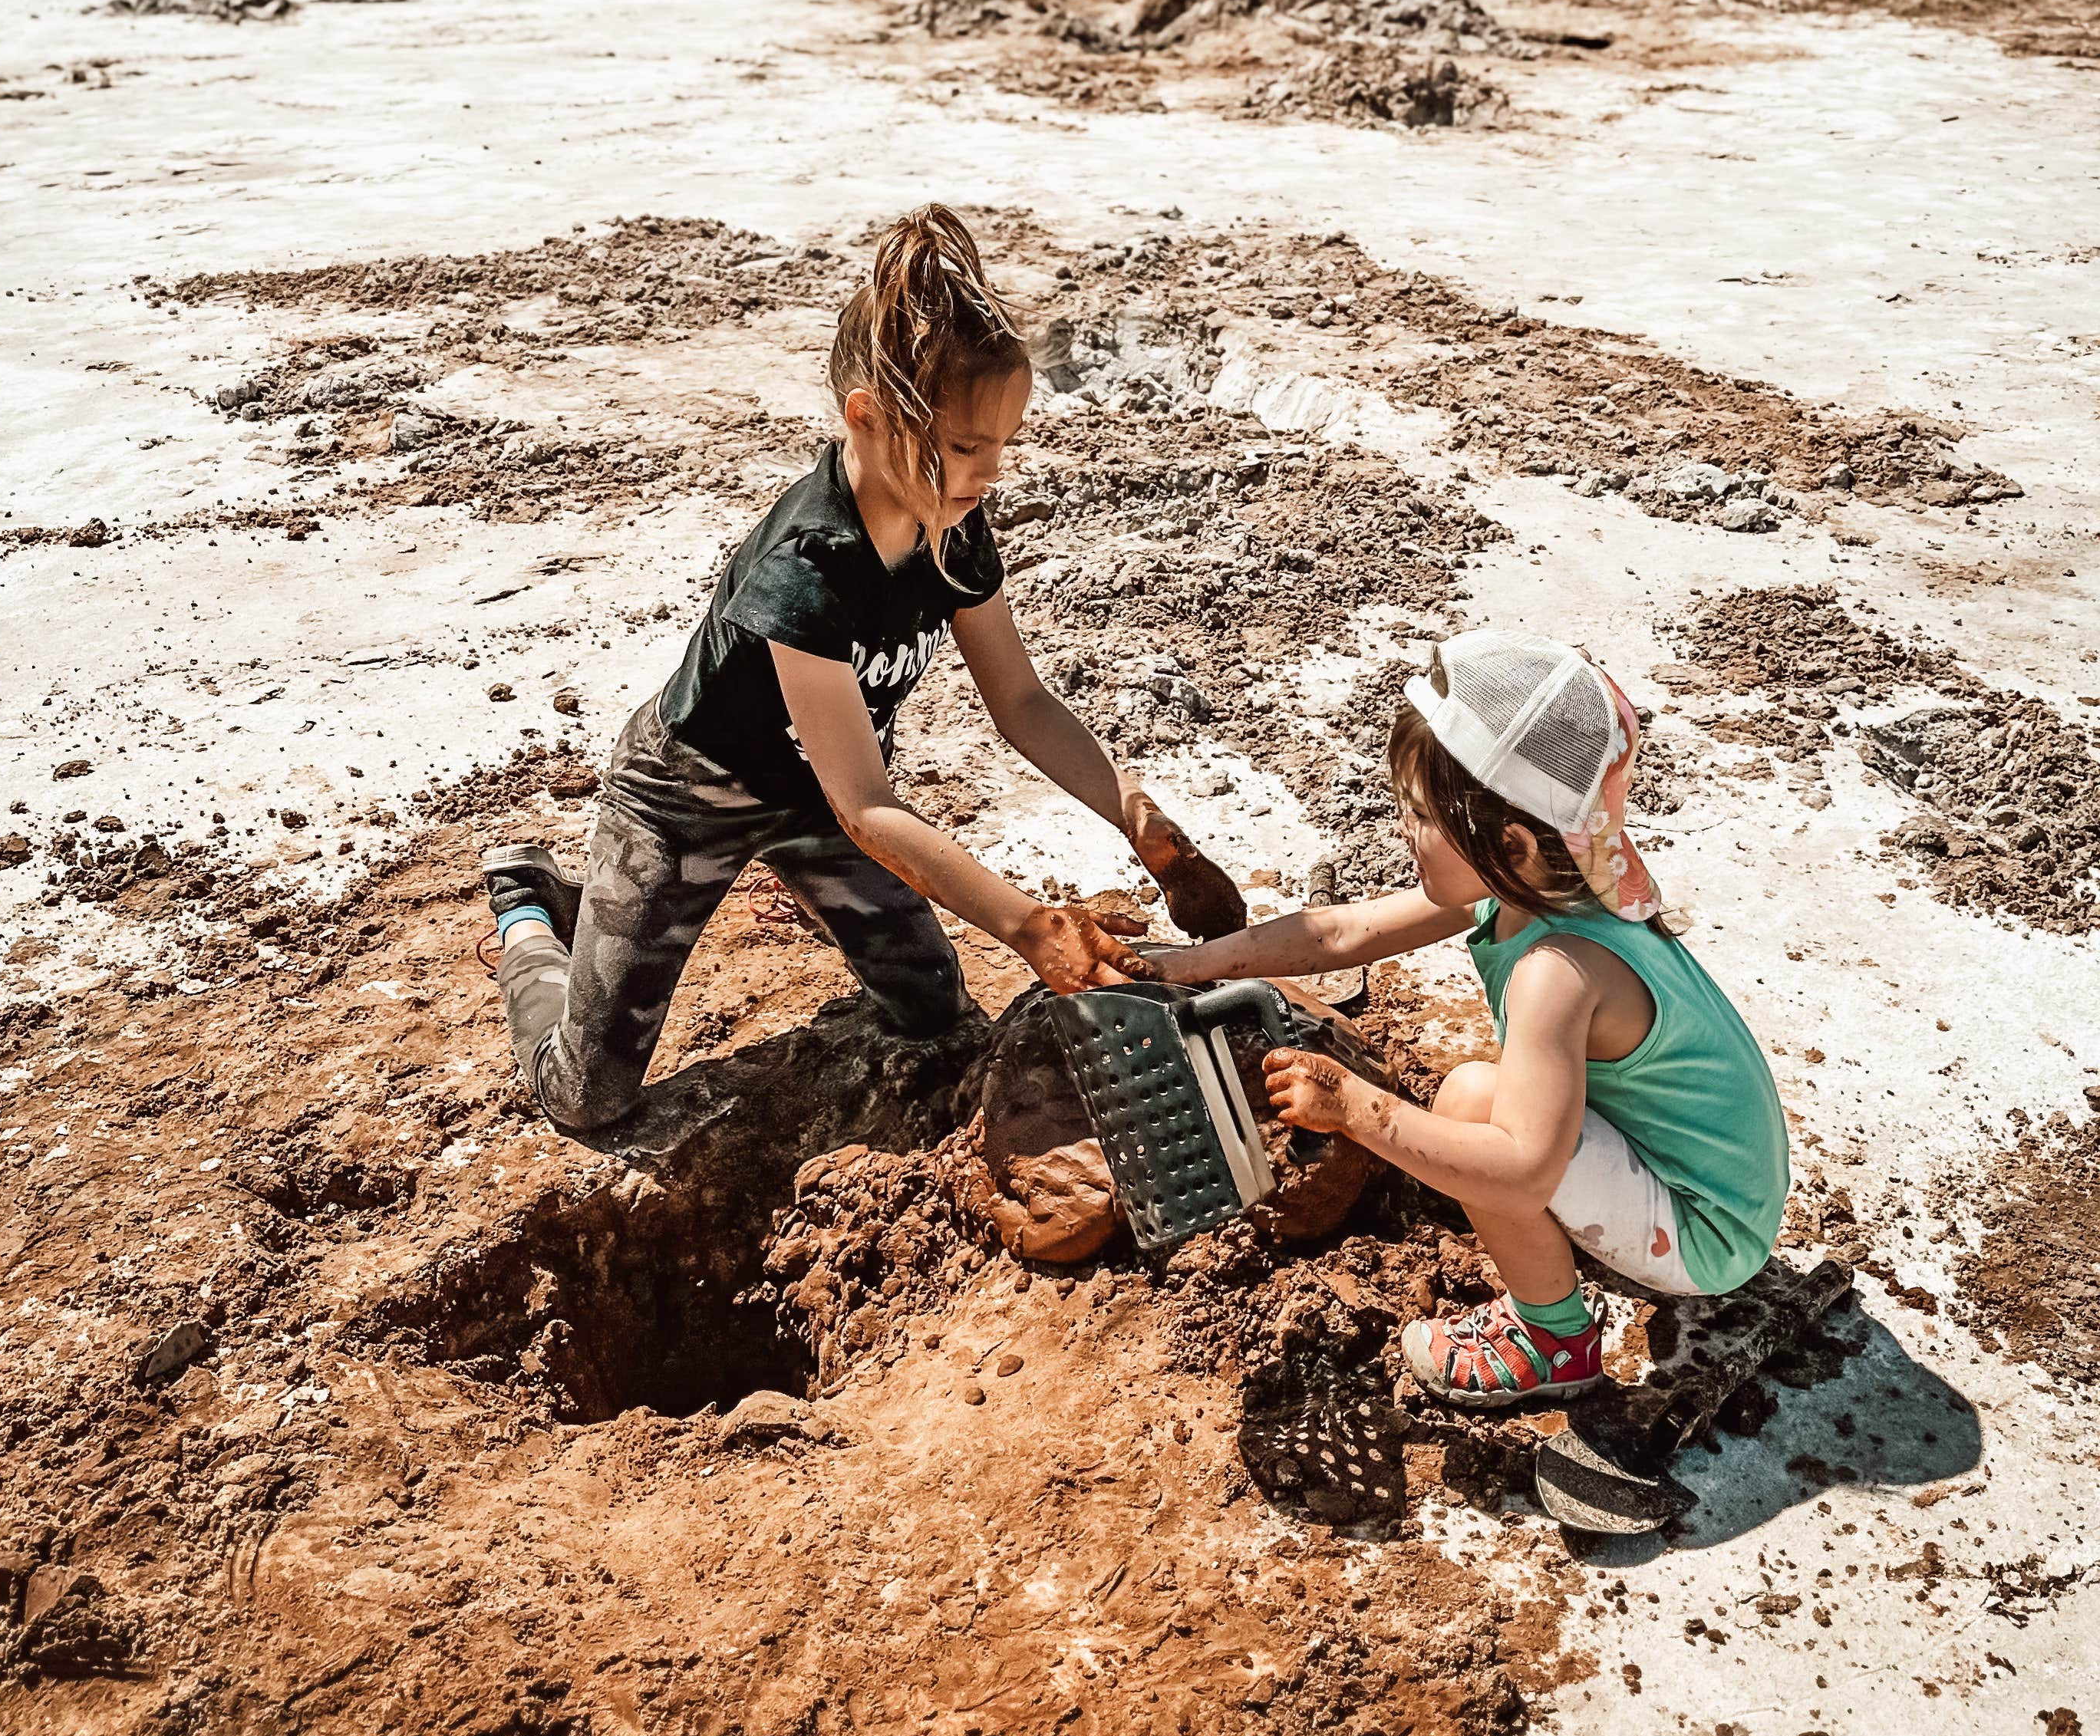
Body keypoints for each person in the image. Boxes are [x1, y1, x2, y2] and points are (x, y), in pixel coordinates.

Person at [479, 205, 1245, 1130]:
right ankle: (531, 907)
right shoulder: (807, 566)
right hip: (690, 793)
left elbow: (1023, 702)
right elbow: (868, 806)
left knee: (933, 1015)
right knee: (588, 1097)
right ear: (869, 418)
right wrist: (1030, 925)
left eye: (1004, 445)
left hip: (819, 800)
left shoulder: (952, 528)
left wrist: (1144, 825)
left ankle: (776, 890)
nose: (990, 473)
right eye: (968, 447)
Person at [1156, 634, 1789, 1411]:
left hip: (1706, 1232)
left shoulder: (1557, 972)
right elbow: (1342, 934)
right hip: (1722, 1186)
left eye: (1419, 813)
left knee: (1470, 1105)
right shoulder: (1539, 886)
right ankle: (1593, 1246)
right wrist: (1191, 964)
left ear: (1512, 843)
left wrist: (1358, 1107)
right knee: (1490, 1104)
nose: (1402, 827)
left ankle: (1553, 1340)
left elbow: (1521, 1170)